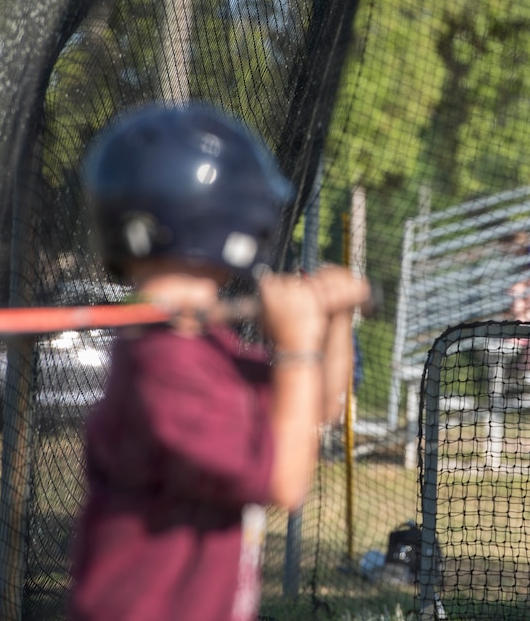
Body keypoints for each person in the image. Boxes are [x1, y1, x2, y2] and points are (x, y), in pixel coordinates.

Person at [67, 102, 371, 621]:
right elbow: (286, 482)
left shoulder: (205, 347)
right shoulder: (165, 364)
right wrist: (296, 346)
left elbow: (318, 409)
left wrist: (334, 322)